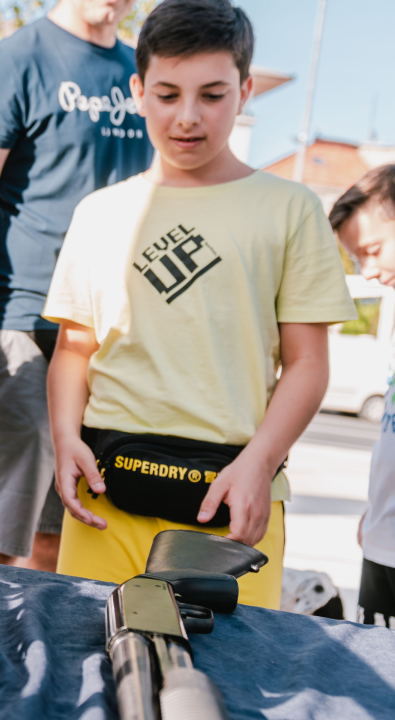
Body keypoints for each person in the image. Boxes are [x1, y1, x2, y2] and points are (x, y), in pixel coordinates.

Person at [42, 0, 356, 609]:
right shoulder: (99, 212)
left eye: (212, 95)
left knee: (227, 689)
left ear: (245, 91)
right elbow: (74, 347)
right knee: (94, 675)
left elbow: (309, 363)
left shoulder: (290, 209)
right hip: (107, 495)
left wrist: (260, 465)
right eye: (166, 94)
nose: (188, 117)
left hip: (231, 499)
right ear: (137, 90)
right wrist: (64, 440)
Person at [0, 0, 152, 571]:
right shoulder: (14, 60)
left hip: (111, 337)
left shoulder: (143, 72)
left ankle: (42, 660)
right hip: (21, 320)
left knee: (62, 539)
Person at [328, 164, 395, 626]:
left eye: (373, 250)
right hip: (382, 543)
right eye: (357, 260)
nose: (368, 272)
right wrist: (376, 511)